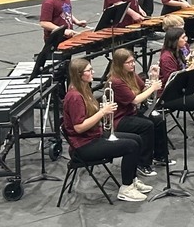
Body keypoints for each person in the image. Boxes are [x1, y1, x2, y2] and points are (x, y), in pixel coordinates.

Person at [62, 58, 150, 202]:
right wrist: (102, 112)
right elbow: (78, 127)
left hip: (94, 136)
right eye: (89, 70)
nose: (93, 72)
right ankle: (126, 189)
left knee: (137, 138)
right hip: (84, 146)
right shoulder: (75, 97)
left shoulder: (84, 89)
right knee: (131, 146)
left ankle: (132, 179)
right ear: (79, 74)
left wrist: (102, 109)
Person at [107, 47, 169, 174]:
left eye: (133, 61)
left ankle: (160, 156)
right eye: (129, 62)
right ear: (120, 64)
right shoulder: (116, 81)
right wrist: (153, 88)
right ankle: (143, 162)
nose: (133, 64)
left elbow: (143, 89)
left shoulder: (131, 74)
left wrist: (153, 77)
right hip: (120, 118)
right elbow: (135, 100)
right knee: (146, 126)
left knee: (158, 119)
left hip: (132, 113)